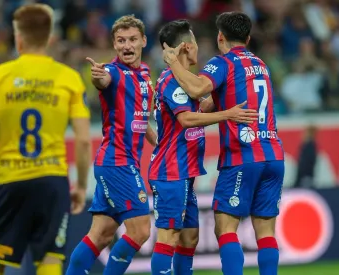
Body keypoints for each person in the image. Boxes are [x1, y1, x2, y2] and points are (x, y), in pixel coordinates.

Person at [0, 4, 91, 275]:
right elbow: (83, 141)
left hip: (9, 180)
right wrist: (81, 185)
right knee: (49, 260)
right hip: (52, 180)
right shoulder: (68, 78)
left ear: (18, 37)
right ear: (49, 38)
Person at [162, 11, 285, 275]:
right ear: (248, 38)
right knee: (265, 232)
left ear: (220, 37)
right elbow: (215, 101)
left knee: (225, 228)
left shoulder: (224, 63)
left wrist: (173, 63)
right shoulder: (262, 64)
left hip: (243, 155)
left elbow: (197, 89)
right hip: (274, 155)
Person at [150, 20, 259, 275]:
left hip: (185, 173)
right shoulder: (171, 80)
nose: (199, 49)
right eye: (196, 43)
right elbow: (186, 119)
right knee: (168, 237)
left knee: (189, 239)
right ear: (188, 46)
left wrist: (226, 93)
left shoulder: (187, 82)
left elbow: (200, 108)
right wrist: (228, 114)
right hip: (170, 171)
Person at [66, 15, 157, 275]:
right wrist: (97, 77)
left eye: (132, 40)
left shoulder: (145, 74)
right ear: (114, 44)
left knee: (101, 235)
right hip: (117, 162)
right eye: (120, 41)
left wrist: (158, 143)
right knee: (140, 231)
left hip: (119, 163)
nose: (127, 46)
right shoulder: (111, 72)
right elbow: (102, 80)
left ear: (143, 41)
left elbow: (140, 118)